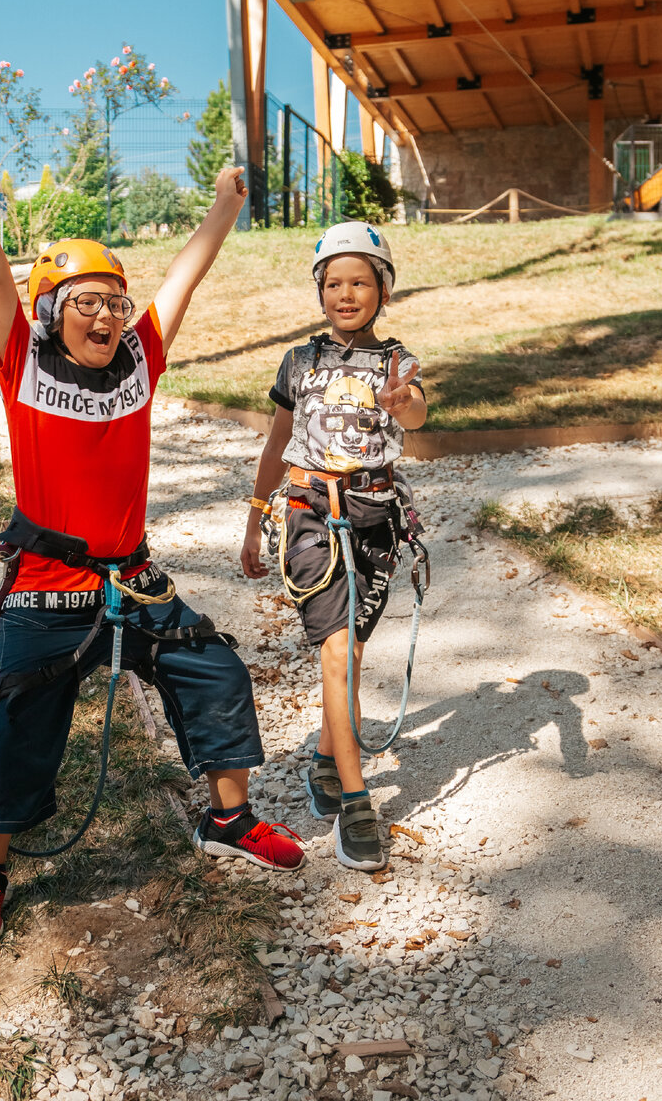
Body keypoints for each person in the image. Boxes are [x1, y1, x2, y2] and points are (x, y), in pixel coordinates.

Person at [0, 129, 304, 950]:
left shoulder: (141, 357)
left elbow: (185, 274)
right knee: (14, 720)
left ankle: (228, 820)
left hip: (132, 579)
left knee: (214, 668)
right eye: (85, 303)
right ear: (53, 313)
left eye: (113, 301)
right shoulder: (20, 357)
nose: (104, 314)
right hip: (43, 585)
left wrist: (224, 209)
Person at [240, 222, 427, 872]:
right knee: (339, 656)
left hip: (376, 522)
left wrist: (404, 403)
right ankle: (355, 800)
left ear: (383, 288)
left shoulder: (397, 361)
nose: (346, 294)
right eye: (333, 283)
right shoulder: (300, 362)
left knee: (347, 657)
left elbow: (416, 412)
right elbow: (275, 443)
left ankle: (324, 760)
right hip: (312, 519)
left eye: (360, 281)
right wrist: (254, 516)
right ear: (319, 290)